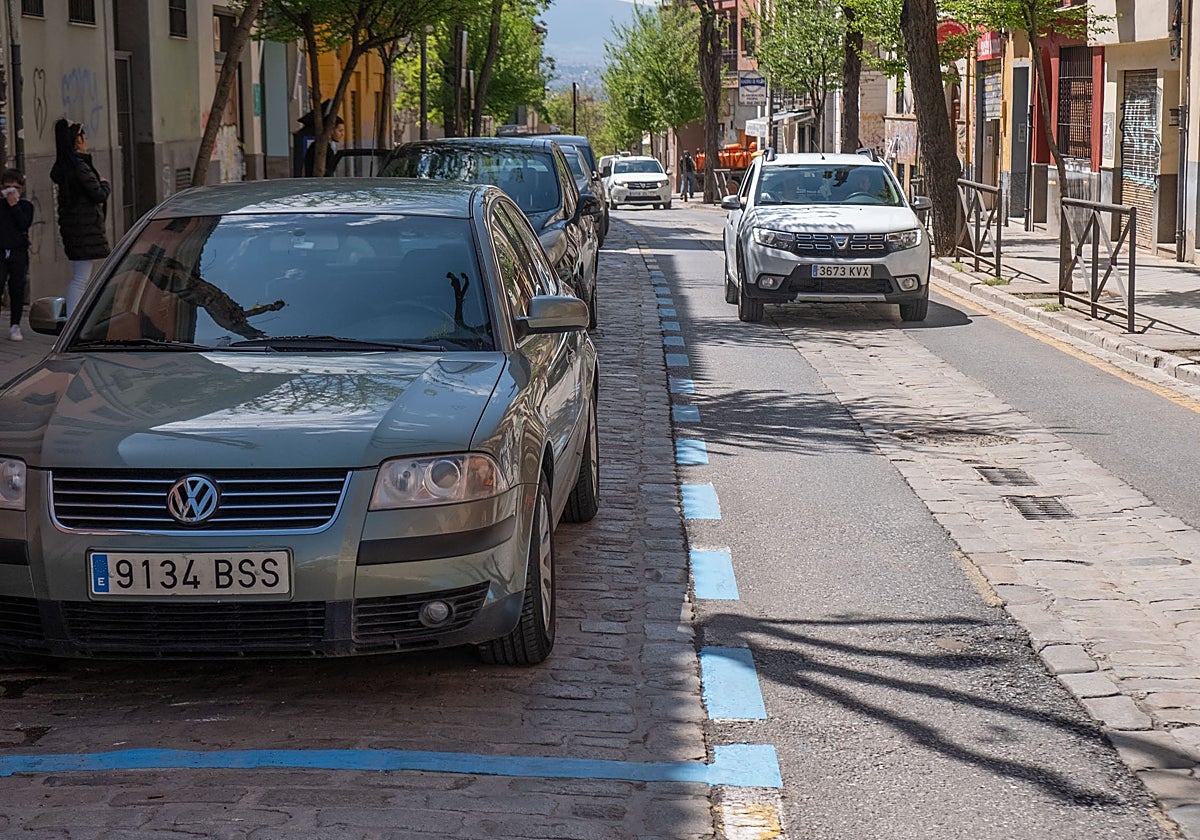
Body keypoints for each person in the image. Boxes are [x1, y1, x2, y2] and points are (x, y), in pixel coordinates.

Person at [50, 118, 110, 316]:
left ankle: (75, 317)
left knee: (81, 275)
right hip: (84, 230)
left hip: (76, 228)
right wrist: (104, 184)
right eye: (83, 137)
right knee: (80, 278)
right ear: (77, 141)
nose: (86, 141)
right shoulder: (79, 167)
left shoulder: (66, 167)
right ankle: (72, 320)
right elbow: (98, 194)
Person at [0, 168, 33, 341]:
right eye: (7, 187)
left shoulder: (26, 206)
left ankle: (15, 325)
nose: (11, 191)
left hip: (18, 251)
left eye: (15, 188)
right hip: (1, 250)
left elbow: (24, 224)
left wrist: (14, 206)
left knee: (17, 287)